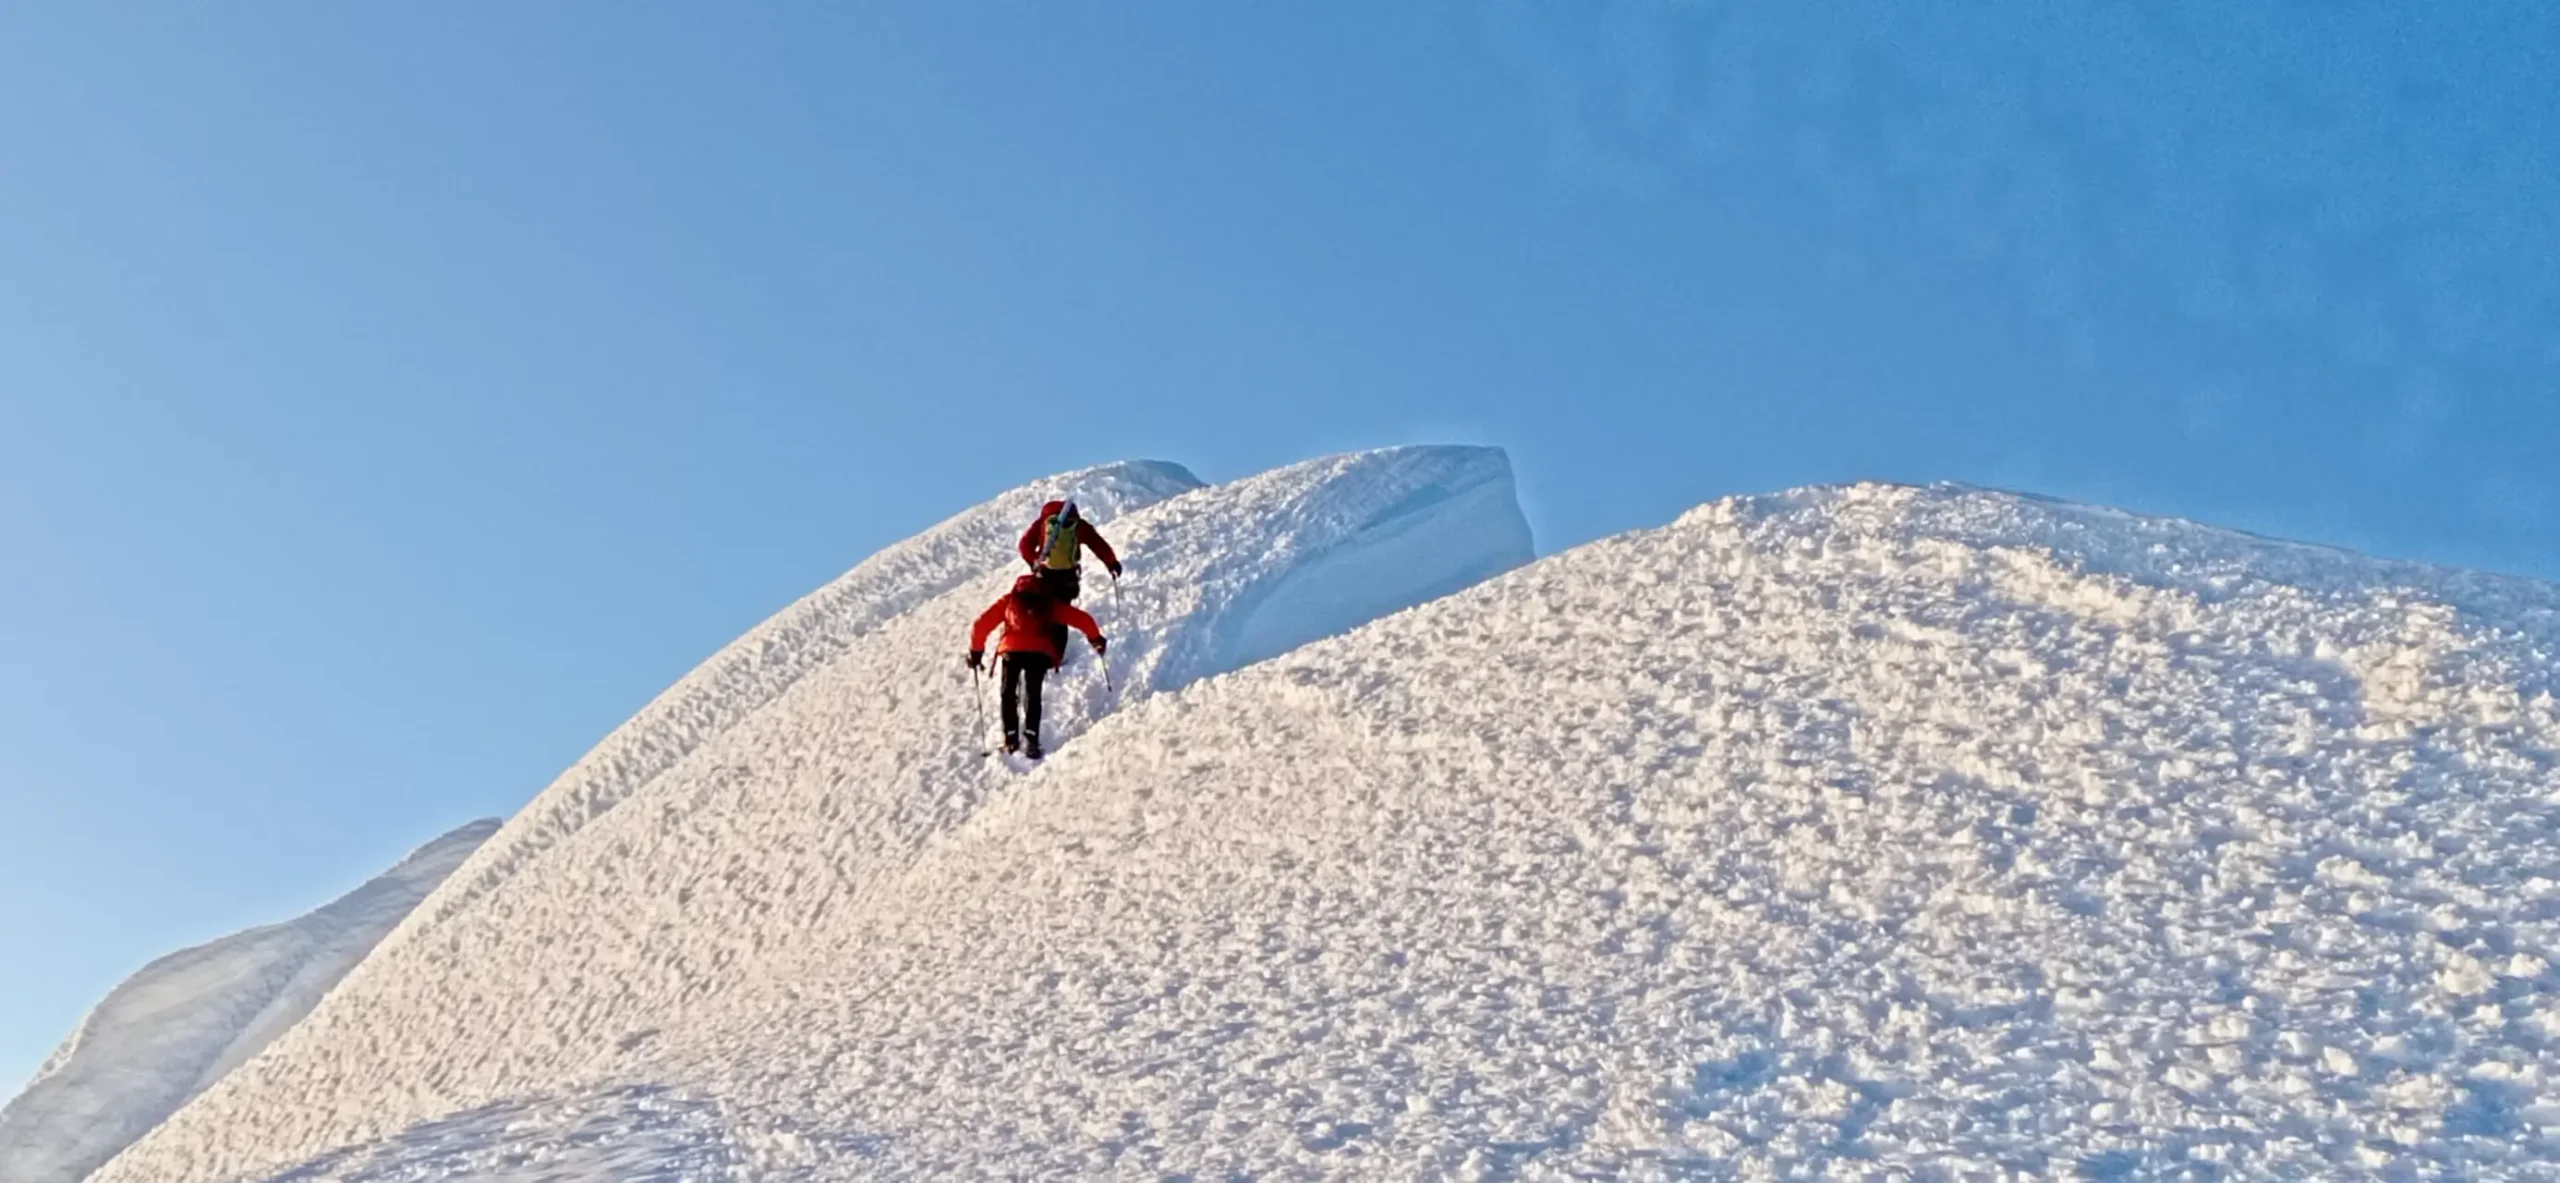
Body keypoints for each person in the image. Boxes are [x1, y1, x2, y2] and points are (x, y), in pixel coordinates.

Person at [968, 573, 1106, 760]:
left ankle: (1010, 739)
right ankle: (1032, 740)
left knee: (1008, 692)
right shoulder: (1049, 603)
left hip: (1011, 650)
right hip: (1039, 652)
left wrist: (976, 652)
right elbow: (1082, 619)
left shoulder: (1009, 600)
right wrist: (1096, 639)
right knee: (1033, 694)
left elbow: (981, 625)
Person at [1016, 499, 1123, 606]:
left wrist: (1034, 561)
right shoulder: (1079, 525)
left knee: (1045, 610)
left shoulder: (1042, 523)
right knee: (1063, 609)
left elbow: (1024, 545)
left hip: (1044, 573)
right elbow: (1098, 544)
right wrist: (1112, 563)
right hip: (1068, 575)